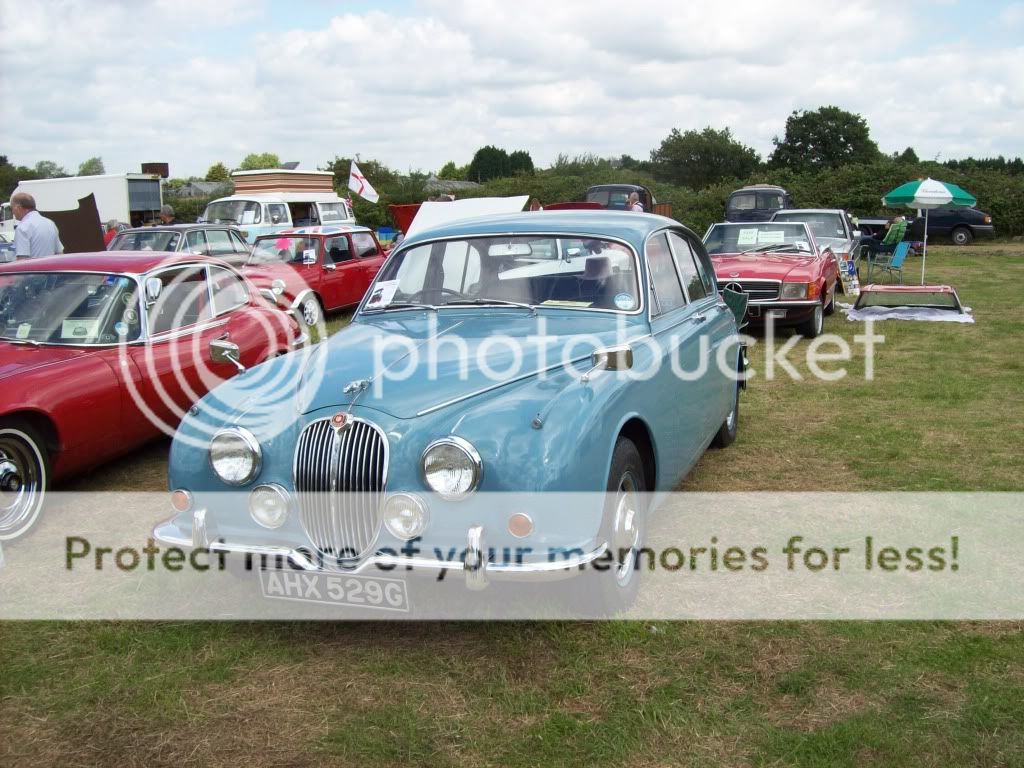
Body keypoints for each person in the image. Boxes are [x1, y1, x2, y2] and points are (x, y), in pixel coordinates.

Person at [9, 192, 64, 258]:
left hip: (33, 268)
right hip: (52, 267)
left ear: (18, 207)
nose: (12, 212)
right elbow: (60, 254)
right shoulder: (50, 223)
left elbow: (22, 259)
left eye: (11, 208)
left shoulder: (22, 227)